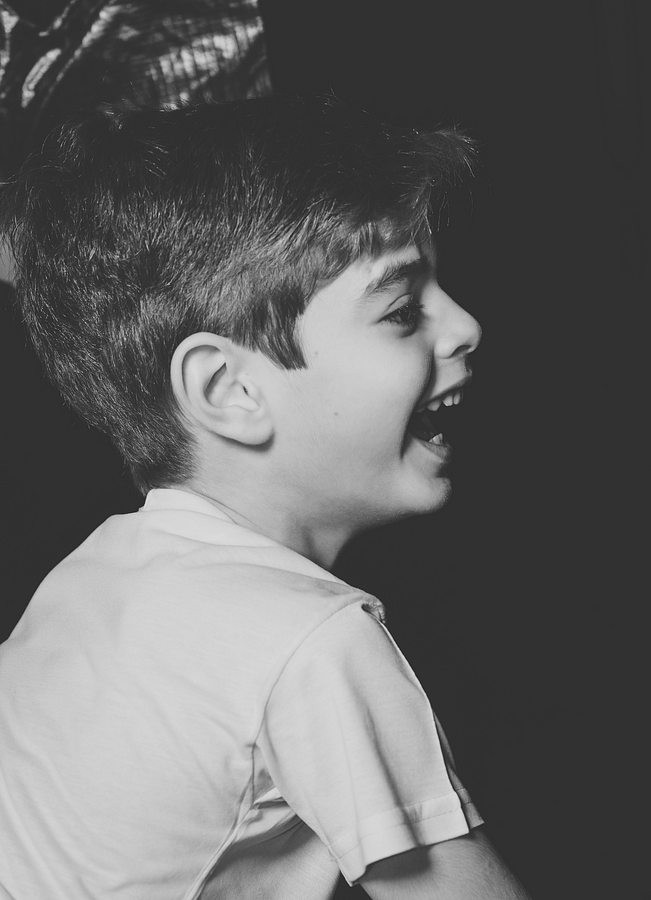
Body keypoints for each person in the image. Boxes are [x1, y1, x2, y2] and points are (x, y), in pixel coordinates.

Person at [0, 96, 530, 899]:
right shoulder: (313, 643)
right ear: (228, 390)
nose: (464, 325)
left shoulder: (90, 577)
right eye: (400, 310)